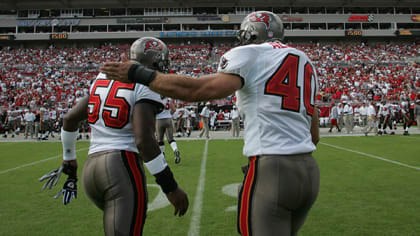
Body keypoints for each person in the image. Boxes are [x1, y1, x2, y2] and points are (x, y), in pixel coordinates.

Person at [101, 11, 320, 236]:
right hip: (309, 172)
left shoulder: (250, 53)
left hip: (272, 169)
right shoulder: (306, 62)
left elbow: (197, 90)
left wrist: (139, 73)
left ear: (251, 34)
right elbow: (314, 134)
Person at [39, 37, 188, 236]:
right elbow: (144, 141)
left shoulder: (103, 76)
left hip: (91, 169)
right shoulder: (146, 84)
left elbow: (69, 119)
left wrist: (69, 159)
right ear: (154, 60)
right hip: (120, 166)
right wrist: (170, 187)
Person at [157, 96, 181, 163]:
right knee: (170, 139)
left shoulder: (156, 98)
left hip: (159, 120)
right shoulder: (168, 99)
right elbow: (173, 109)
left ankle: (162, 156)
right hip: (168, 119)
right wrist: (168, 115)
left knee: (160, 140)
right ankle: (175, 150)